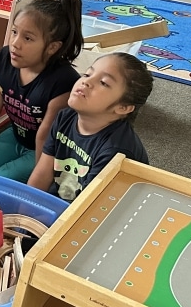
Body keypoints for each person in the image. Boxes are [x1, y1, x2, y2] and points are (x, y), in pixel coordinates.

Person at [0, 0, 84, 181]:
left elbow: (44, 137)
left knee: (0, 180)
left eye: (28, 38)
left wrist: (40, 183)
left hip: (48, 149)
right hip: (17, 135)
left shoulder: (63, 82)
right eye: (15, 32)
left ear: (52, 47)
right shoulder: (4, 59)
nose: (15, 43)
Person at [28, 52, 153, 202]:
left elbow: (87, 209)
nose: (86, 82)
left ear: (123, 107)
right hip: (64, 198)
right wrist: (24, 211)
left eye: (104, 83)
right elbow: (42, 174)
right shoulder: (65, 117)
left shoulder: (116, 152)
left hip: (96, 211)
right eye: (87, 74)